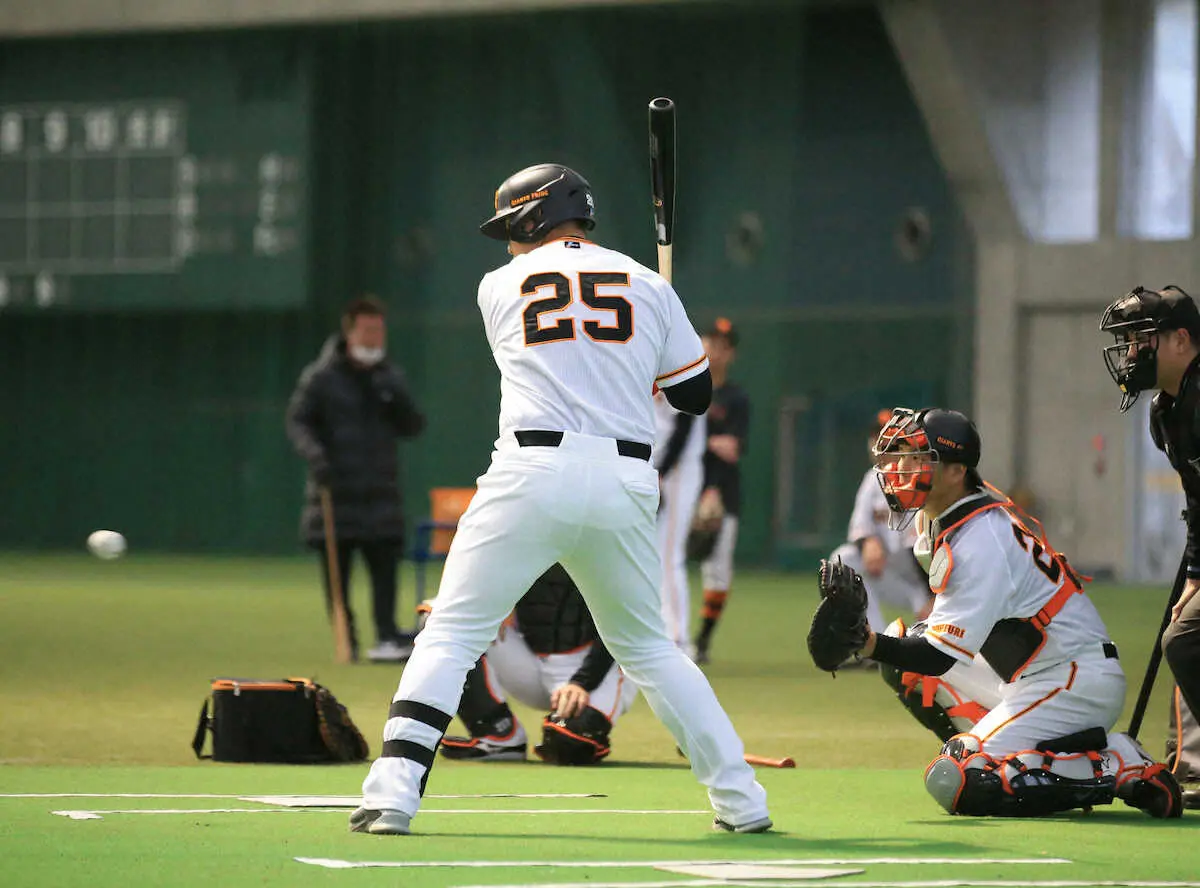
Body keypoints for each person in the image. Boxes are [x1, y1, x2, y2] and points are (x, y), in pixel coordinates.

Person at [349, 163, 770, 836]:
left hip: (531, 469)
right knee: (650, 649)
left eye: (509, 227)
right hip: (624, 479)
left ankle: (392, 795)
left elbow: (561, 347)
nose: (506, 242)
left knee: (453, 632)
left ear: (531, 218)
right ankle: (743, 802)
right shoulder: (650, 283)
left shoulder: (496, 287)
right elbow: (694, 397)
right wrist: (660, 338)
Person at [850, 407, 1182, 818]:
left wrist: (866, 642)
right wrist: (876, 645)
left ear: (955, 472)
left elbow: (939, 656)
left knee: (956, 779)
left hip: (1074, 680)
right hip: (1026, 674)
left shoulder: (981, 540)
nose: (901, 466)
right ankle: (1000, 750)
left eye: (918, 456)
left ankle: (1115, 762)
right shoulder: (941, 518)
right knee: (906, 657)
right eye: (901, 453)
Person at [1100, 284, 1200, 810]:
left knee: (1185, 640)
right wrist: (1195, 574)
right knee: (1187, 634)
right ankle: (1191, 765)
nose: (1132, 353)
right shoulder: (1167, 411)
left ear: (1181, 340)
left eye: (1143, 340)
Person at [286, 296, 426, 663]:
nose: (374, 337)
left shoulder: (389, 376)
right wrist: (316, 457)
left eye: (379, 330)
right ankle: (344, 638)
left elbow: (412, 425)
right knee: (337, 576)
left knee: (385, 570)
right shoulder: (320, 377)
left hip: (381, 494)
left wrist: (394, 396)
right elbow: (297, 421)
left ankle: (387, 636)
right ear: (350, 332)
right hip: (334, 493)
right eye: (367, 329)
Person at [425, 563, 638, 765]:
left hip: (596, 670)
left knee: (570, 744)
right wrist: (492, 606)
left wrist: (582, 682)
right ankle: (498, 734)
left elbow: (622, 625)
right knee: (441, 618)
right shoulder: (520, 536)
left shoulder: (606, 538)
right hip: (530, 661)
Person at [827, 409, 932, 655]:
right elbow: (859, 527)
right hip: (891, 578)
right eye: (877, 436)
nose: (881, 444)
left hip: (926, 583)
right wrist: (868, 542)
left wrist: (934, 596)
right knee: (843, 561)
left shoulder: (922, 478)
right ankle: (875, 645)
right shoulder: (872, 479)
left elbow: (927, 547)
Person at [692, 318, 750, 664]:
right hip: (680, 490)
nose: (715, 350)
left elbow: (732, 448)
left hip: (723, 494)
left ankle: (702, 640)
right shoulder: (684, 388)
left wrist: (698, 440)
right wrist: (710, 441)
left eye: (723, 345)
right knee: (660, 563)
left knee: (717, 570)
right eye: (711, 342)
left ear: (731, 354)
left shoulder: (736, 398)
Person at [654, 387, 706, 652]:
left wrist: (659, 472)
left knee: (668, 555)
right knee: (649, 556)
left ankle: (677, 638)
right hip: (650, 467)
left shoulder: (679, 360)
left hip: (676, 471)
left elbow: (683, 427)